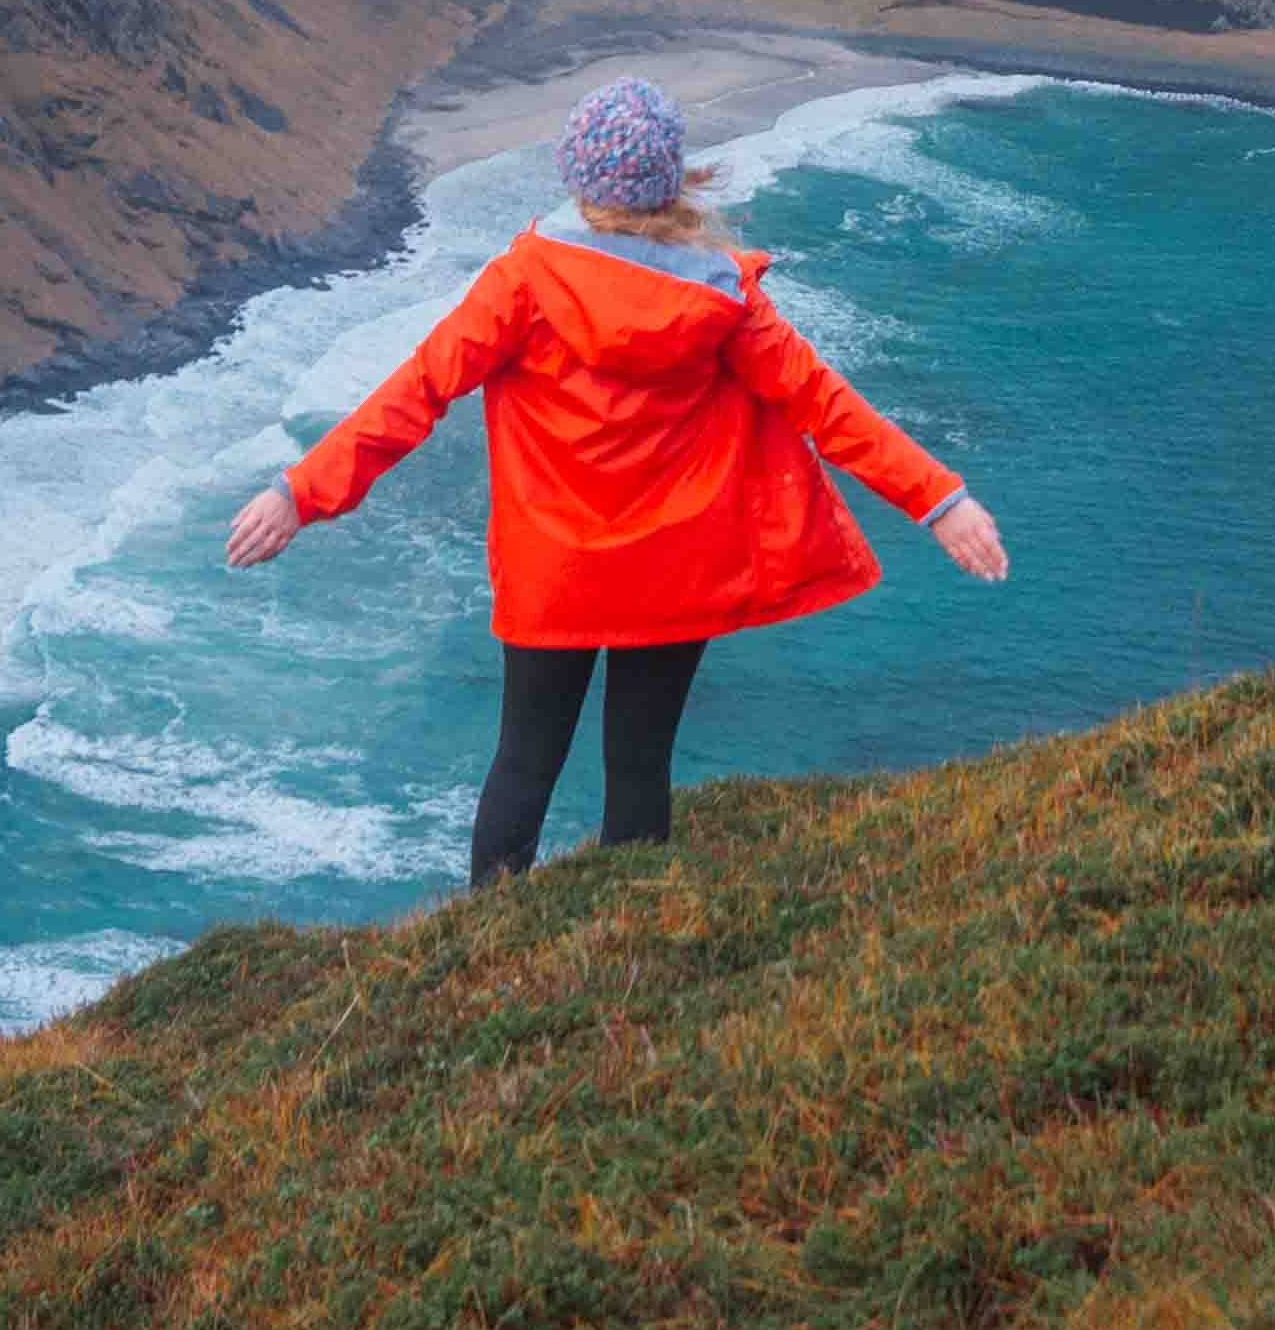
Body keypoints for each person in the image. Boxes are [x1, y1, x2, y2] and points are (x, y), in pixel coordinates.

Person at [222, 73, 1008, 881]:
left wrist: (299, 493)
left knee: (525, 759)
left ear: (577, 175)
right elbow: (825, 404)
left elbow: (416, 392)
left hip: (553, 569)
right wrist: (938, 501)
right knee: (639, 764)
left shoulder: (525, 280)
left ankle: (490, 945)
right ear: (671, 180)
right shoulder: (722, 299)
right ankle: (629, 938)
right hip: (675, 569)